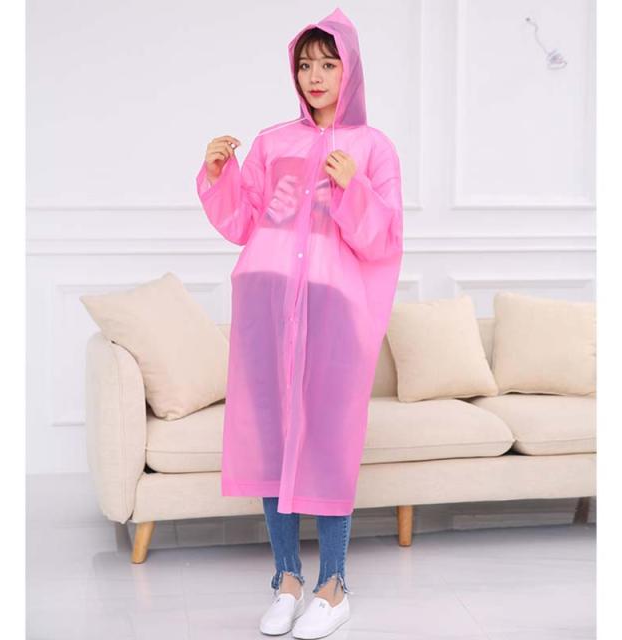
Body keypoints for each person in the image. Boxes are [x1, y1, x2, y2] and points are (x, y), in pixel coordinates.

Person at [196, 8, 403, 639]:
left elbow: (384, 240)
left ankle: (333, 588)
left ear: (350, 70)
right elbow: (243, 223)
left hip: (333, 311)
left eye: (328, 64)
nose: (315, 76)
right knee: (272, 439)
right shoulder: (272, 142)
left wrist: (353, 190)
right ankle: (286, 580)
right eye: (305, 64)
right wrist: (218, 176)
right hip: (267, 303)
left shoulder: (373, 147)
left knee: (329, 441)